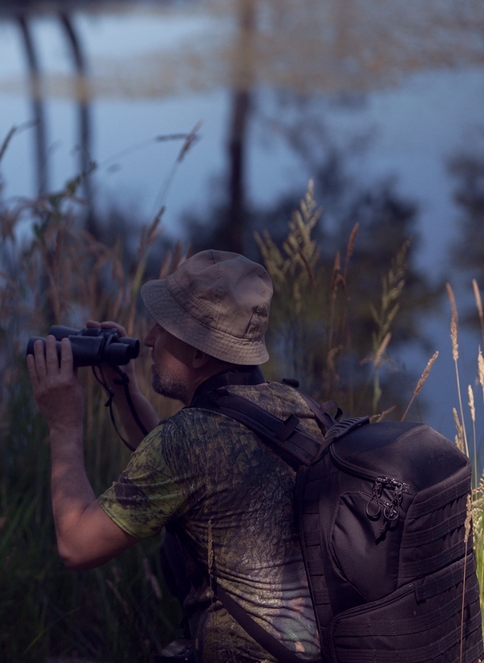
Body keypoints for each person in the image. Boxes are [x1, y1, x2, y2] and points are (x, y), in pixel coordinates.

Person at [28, 250, 321, 663]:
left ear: (200, 354)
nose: (147, 338)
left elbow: (77, 545)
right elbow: (185, 469)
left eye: (162, 327)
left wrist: (63, 425)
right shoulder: (297, 406)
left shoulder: (188, 441)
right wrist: (124, 387)